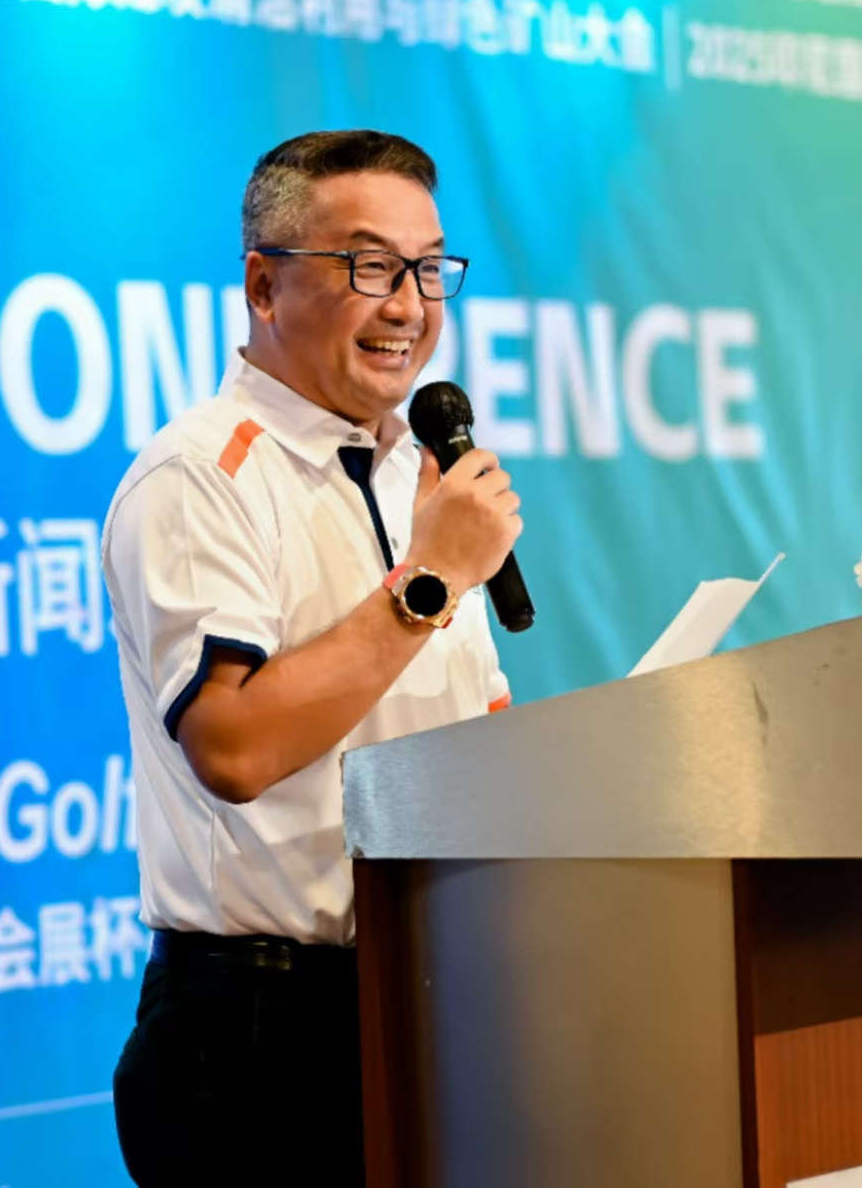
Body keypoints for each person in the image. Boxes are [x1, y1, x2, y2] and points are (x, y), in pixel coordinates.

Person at [102, 129, 522, 1186]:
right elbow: (233, 745)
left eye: (428, 268)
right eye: (370, 267)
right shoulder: (199, 475)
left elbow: (465, 725)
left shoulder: (419, 475)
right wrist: (429, 581)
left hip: (434, 993)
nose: (409, 306)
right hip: (261, 1033)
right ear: (263, 285)